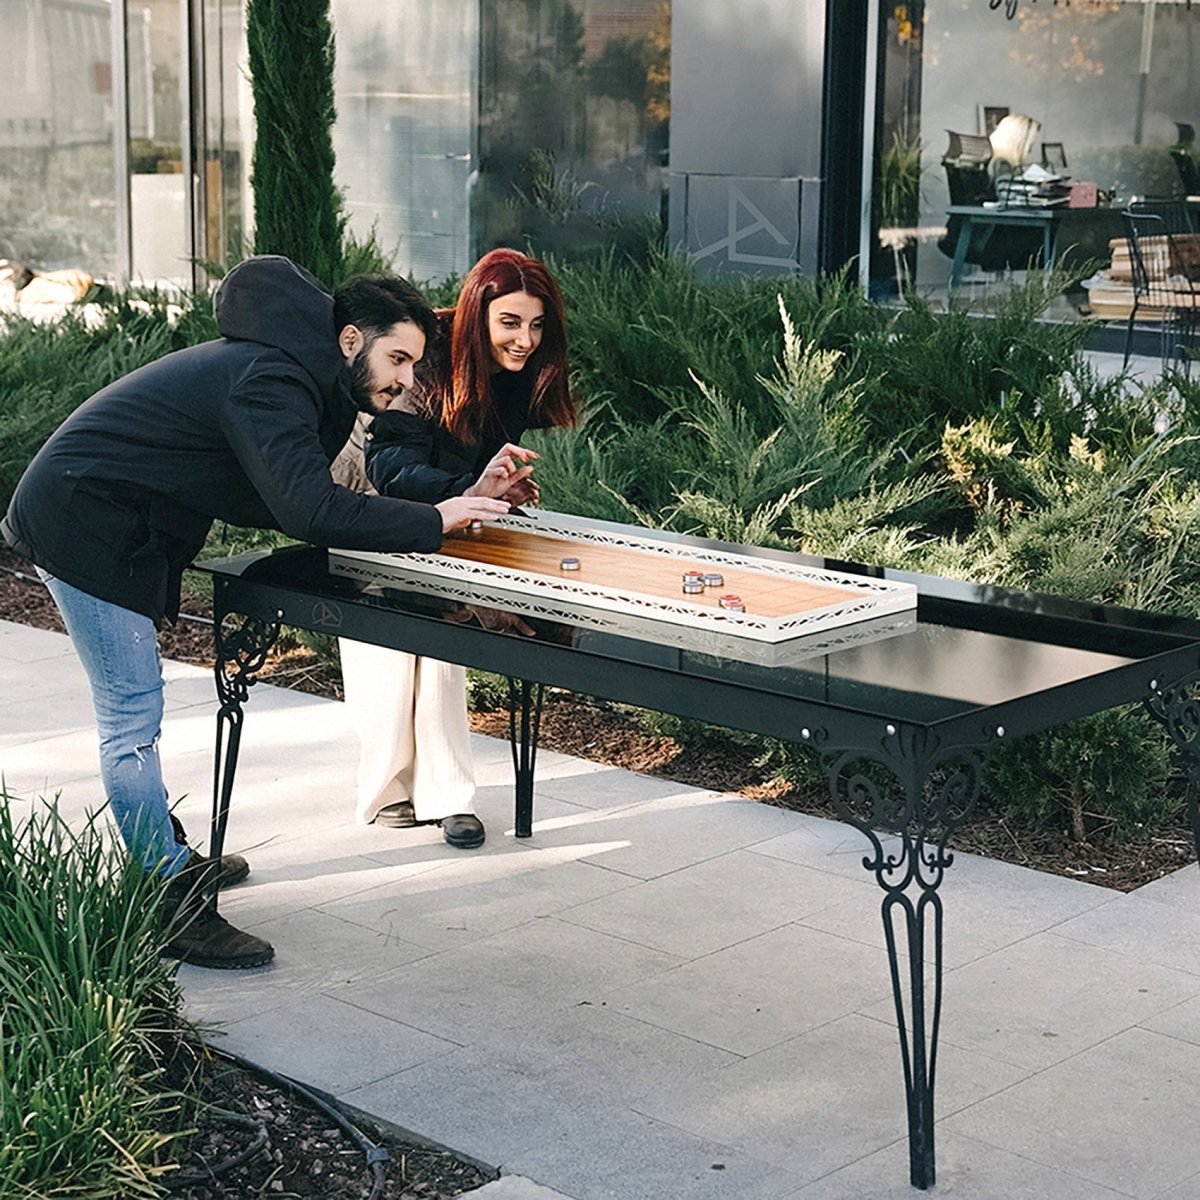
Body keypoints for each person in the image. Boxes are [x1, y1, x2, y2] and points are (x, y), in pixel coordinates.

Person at [0, 255, 510, 970]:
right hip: (79, 523)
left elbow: (321, 491)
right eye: (398, 357)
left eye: (414, 365)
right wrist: (435, 518)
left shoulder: (298, 380)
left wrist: (452, 499)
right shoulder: (271, 381)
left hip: (109, 518)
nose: (404, 380)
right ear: (349, 342)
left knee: (134, 712)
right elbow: (309, 510)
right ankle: (166, 898)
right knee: (130, 716)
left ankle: (166, 857)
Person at [338, 248, 576, 845]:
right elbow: (390, 462)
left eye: (538, 324)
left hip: (442, 498)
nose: (525, 339)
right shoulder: (430, 359)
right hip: (362, 482)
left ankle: (446, 795)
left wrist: (495, 488)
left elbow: (476, 456)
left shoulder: (518, 374)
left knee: (445, 623)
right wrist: (465, 494)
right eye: (511, 322)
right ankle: (389, 788)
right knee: (384, 640)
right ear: (479, 314)